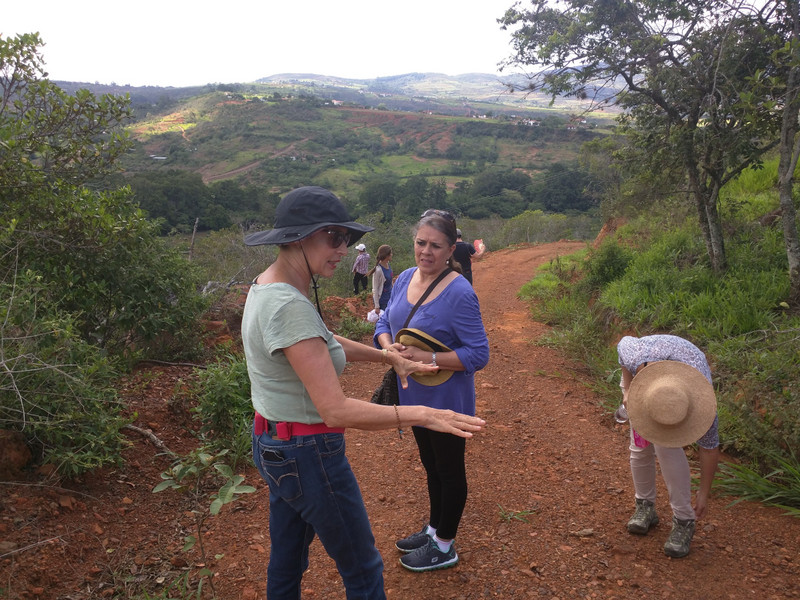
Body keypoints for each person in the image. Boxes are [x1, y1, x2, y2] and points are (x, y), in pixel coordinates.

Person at [242, 187, 485, 599]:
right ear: (300, 238)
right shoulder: (289, 304)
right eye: (334, 238)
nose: (344, 249)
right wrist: (423, 414)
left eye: (346, 239)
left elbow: (323, 338)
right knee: (362, 567)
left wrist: (388, 358)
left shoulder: (269, 286)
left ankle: (439, 537)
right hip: (309, 453)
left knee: (286, 561)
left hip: (275, 443)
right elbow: (334, 409)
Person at [374, 209, 489, 572]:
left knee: (450, 469)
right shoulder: (405, 276)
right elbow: (382, 320)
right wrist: (387, 345)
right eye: (420, 243)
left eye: (435, 246)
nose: (426, 251)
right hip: (413, 395)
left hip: (447, 399)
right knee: (431, 466)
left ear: (452, 247)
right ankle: (434, 528)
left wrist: (428, 356)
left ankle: (444, 545)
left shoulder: (459, 292)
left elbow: (478, 353)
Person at [616, 334, 720, 559]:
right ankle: (645, 506)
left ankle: (684, 520)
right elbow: (623, 347)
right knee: (640, 446)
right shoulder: (634, 354)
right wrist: (628, 389)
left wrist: (703, 493)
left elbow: (710, 448)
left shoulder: (703, 403)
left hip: (682, 386)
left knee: (667, 449)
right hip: (645, 388)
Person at [367, 244, 393, 312]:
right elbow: (375, 289)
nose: (392, 255)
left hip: (390, 298)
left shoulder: (388, 265)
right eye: (390, 253)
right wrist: (377, 306)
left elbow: (390, 282)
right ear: (387, 255)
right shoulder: (378, 270)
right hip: (383, 301)